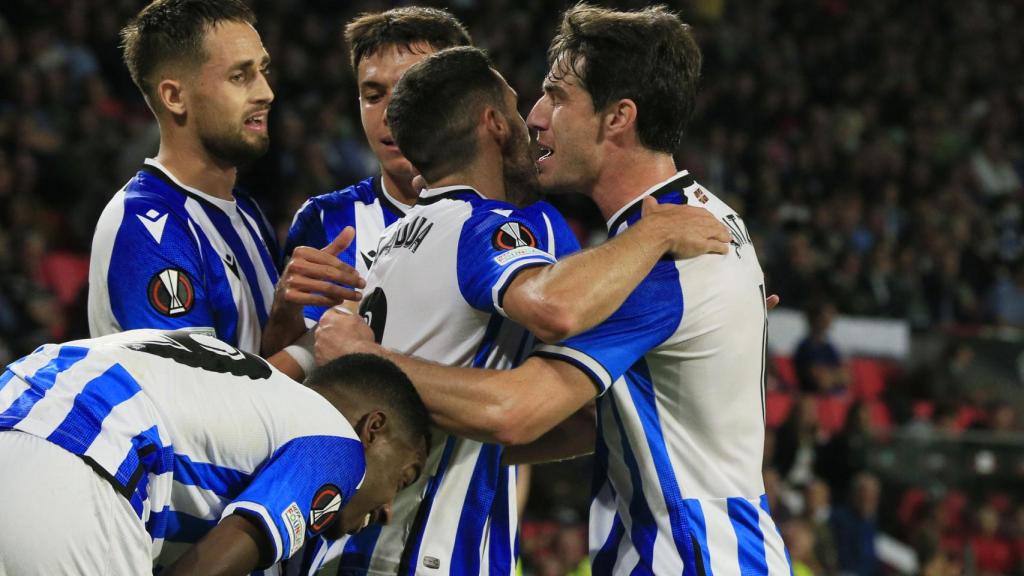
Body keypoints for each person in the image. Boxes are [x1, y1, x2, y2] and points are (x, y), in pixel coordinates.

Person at [320, 5, 791, 573]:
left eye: (557, 96)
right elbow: (583, 422)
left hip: (692, 555)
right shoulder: (696, 224)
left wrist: (366, 359)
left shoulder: (660, 257)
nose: (536, 117)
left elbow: (514, 410)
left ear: (618, 118)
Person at [0, 329, 427, 576]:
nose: (389, 506)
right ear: (372, 429)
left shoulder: (245, 394)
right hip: (82, 469)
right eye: (403, 478)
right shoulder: (339, 447)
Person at [87, 0, 360, 360]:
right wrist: (316, 348)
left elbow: (253, 362)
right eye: (239, 76)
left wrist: (288, 316)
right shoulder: (146, 226)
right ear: (174, 96)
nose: (266, 92)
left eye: (263, 70)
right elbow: (200, 401)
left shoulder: (243, 210)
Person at [285, 7, 472, 327]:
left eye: (410, 90)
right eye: (373, 95)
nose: (389, 114)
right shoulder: (327, 221)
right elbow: (294, 362)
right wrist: (282, 310)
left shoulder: (517, 216)